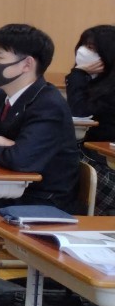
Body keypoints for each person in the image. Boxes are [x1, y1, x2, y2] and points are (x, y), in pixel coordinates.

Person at [0, 24, 81, 230]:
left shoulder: (48, 105)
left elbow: (20, 159)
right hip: (7, 194)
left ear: (27, 64)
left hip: (40, 204)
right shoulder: (3, 97)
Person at [66, 24, 115, 214]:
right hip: (89, 154)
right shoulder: (91, 80)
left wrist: (77, 74)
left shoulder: (109, 88)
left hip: (105, 163)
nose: (83, 51)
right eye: (83, 45)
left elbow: (80, 113)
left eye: (92, 48)